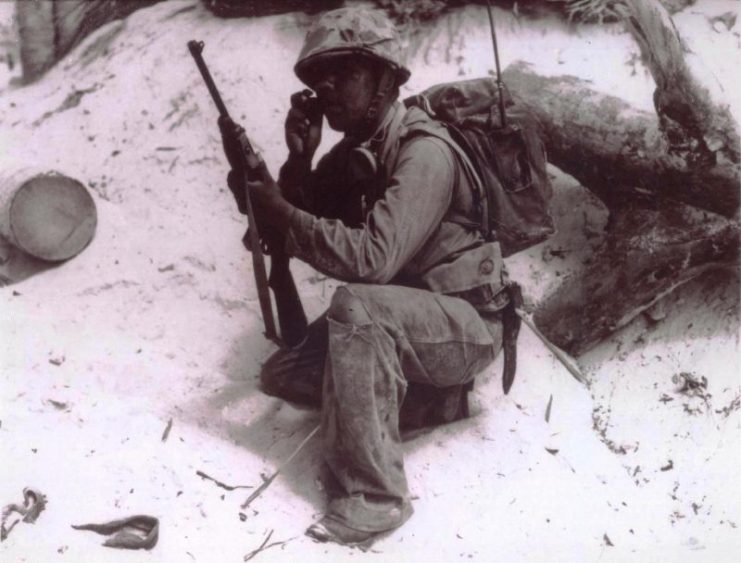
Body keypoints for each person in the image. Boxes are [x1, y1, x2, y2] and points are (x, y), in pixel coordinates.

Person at [220, 7, 511, 546]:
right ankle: (427, 401)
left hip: (465, 325)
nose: (327, 87)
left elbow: (371, 260)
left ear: (384, 78)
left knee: (358, 304)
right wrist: (296, 163)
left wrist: (285, 215)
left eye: (344, 73)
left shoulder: (424, 151)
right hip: (407, 318)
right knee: (284, 375)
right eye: (317, 78)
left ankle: (375, 497)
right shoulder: (358, 151)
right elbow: (289, 218)